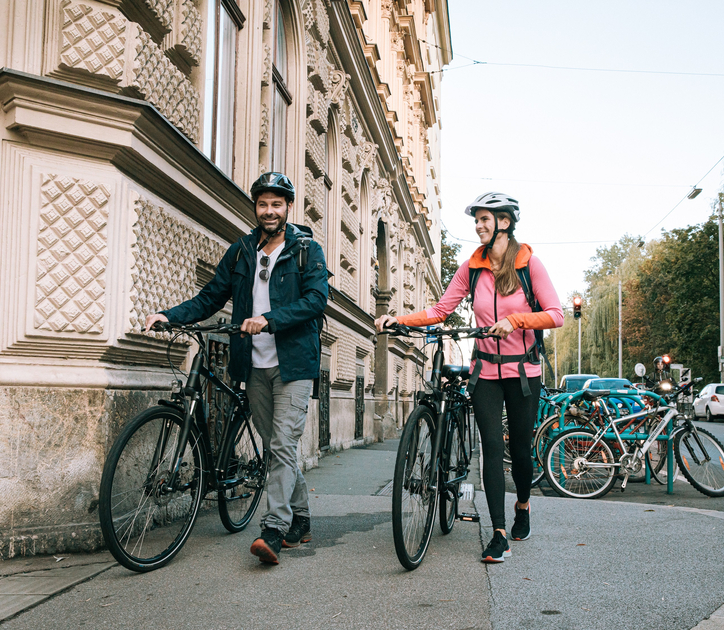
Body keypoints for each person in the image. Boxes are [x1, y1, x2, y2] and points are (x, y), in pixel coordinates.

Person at [145, 172, 328, 566]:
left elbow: (316, 301)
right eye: (263, 204)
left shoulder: (307, 250)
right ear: (255, 208)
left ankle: (273, 529)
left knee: (282, 446)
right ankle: (301, 520)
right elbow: (211, 296)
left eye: (276, 204)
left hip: (294, 363)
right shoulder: (242, 251)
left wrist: (269, 319)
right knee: (276, 446)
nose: (269, 211)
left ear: (288, 207)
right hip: (253, 364)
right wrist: (170, 315)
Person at [374, 192, 563, 563]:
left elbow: (556, 314)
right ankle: (498, 534)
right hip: (486, 371)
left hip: (524, 371)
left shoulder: (529, 264)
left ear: (504, 222)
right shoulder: (472, 268)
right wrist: (400, 319)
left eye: (485, 219)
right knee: (491, 446)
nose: (478, 226)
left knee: (519, 451)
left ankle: (523, 505)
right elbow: (441, 310)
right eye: (476, 220)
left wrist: (516, 320)